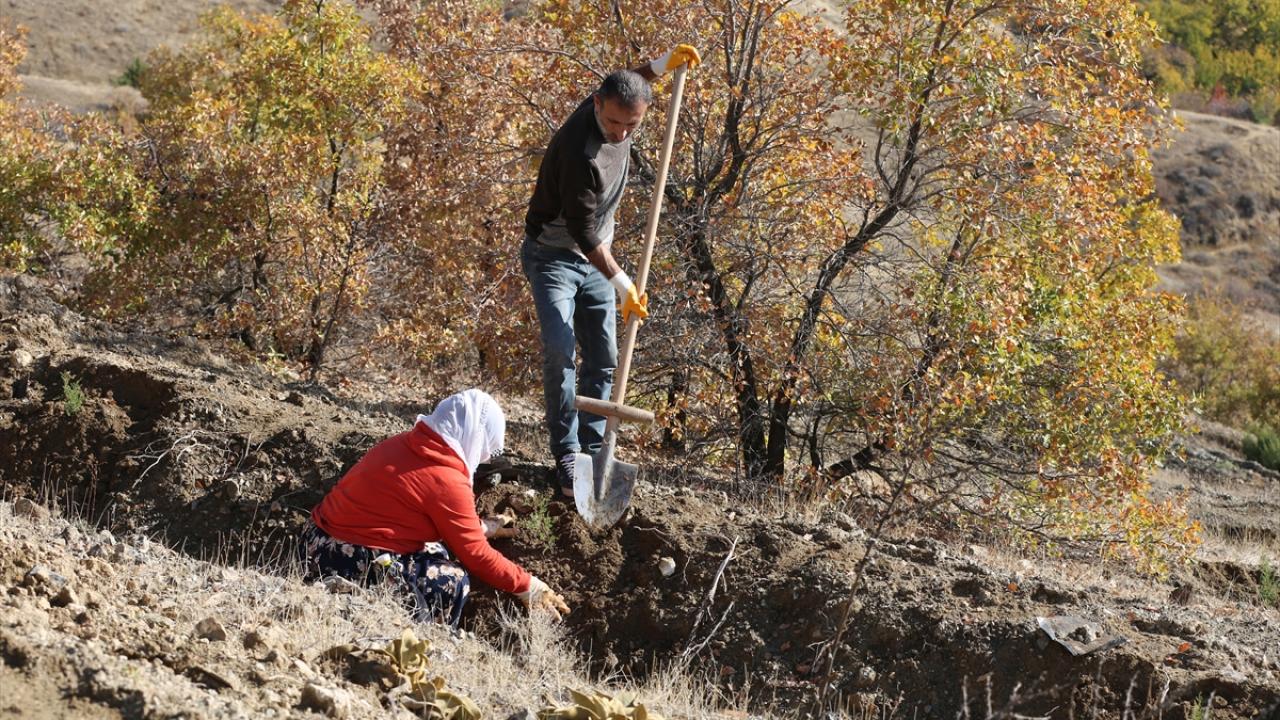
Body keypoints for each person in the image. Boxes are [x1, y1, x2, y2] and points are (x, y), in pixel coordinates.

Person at [522, 44, 700, 498]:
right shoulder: (579, 151)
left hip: (598, 257)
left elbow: (631, 80)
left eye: (632, 125)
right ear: (596, 105)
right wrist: (623, 284)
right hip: (554, 257)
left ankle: (593, 449)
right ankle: (565, 452)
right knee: (561, 348)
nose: (621, 133)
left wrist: (663, 65)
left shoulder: (615, 99)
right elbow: (582, 232)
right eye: (614, 123)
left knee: (604, 357)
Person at [299, 389, 570, 628]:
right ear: (474, 435)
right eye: (485, 447)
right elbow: (475, 555)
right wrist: (528, 586)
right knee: (452, 580)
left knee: (436, 549)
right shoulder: (447, 479)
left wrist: (486, 527)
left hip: (314, 541)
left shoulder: (403, 443)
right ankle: (424, 633)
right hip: (342, 563)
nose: (484, 456)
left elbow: (431, 513)